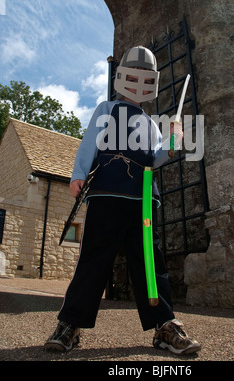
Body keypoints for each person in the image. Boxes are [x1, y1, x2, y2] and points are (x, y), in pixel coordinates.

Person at [44, 46, 200, 355]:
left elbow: (155, 159)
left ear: (151, 83)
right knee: (93, 261)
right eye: (133, 78)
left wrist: (172, 142)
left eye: (145, 80)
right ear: (122, 78)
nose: (138, 85)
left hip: (141, 202)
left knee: (150, 264)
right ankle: (70, 324)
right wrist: (78, 172)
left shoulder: (152, 124)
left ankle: (164, 324)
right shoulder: (106, 109)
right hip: (105, 197)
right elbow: (90, 141)